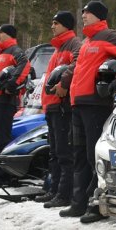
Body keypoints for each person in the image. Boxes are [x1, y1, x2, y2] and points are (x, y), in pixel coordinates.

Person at [59, 0, 116, 224]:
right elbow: (77, 68)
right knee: (79, 155)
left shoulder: (108, 36)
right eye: (83, 12)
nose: (83, 15)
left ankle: (97, 205)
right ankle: (78, 203)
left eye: (88, 13)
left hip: (95, 104)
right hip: (77, 103)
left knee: (95, 157)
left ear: (99, 16)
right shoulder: (86, 41)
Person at [34, 11, 81, 208]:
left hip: (62, 106)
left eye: (56, 23)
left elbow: (78, 63)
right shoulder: (57, 48)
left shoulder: (74, 44)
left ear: (66, 25)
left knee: (64, 152)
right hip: (51, 106)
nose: (52, 26)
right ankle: (53, 189)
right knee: (54, 152)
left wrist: (64, 82)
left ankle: (64, 193)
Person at [0, 24, 31, 156]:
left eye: (1, 32)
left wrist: (12, 83)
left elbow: (25, 64)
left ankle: (3, 175)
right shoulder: (0, 53)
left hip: (3, 101)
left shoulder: (14, 50)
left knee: (2, 138)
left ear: (9, 34)